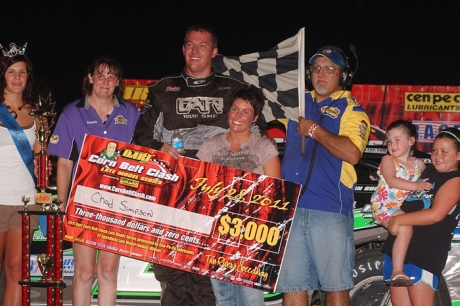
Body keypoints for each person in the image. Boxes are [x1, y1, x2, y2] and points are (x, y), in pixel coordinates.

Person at [133, 24, 268, 306]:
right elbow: (141, 136)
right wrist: (159, 148)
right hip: (172, 193)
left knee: (207, 274)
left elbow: (259, 139)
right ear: (183, 49)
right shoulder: (161, 89)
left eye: (203, 45)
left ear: (214, 52)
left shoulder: (234, 90)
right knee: (171, 272)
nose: (196, 50)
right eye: (190, 45)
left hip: (216, 196)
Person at [276, 45, 370, 306]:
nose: (321, 74)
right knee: (293, 287)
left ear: (343, 75)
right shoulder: (294, 100)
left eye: (330, 69)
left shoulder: (353, 110)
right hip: (291, 209)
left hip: (330, 210)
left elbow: (352, 153)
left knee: (335, 287)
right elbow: (255, 114)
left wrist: (314, 129)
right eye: (316, 68)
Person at [47, 57, 140, 305]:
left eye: (111, 77)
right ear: (90, 78)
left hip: (117, 203)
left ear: (118, 82)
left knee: (108, 271)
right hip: (82, 202)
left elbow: (142, 159)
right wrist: (62, 203)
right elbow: (64, 163)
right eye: (100, 75)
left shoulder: (131, 112)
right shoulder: (72, 112)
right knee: (85, 271)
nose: (105, 81)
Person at [196, 85, 280, 306]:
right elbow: (198, 190)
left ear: (255, 118)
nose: (238, 116)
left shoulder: (264, 148)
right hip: (217, 234)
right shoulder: (209, 147)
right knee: (223, 298)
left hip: (252, 236)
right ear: (228, 112)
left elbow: (275, 195)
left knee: (251, 299)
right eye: (235, 109)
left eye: (245, 112)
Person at [382, 128, 460, 306]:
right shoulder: (427, 171)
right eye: (434, 150)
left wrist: (398, 220)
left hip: (425, 253)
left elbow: (435, 215)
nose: (437, 156)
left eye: (444, 152)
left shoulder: (456, 179)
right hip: (398, 250)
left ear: (458, 155)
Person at [0, 43, 40, 306]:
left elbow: (39, 156)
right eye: (11, 71)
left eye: (22, 72)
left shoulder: (38, 113)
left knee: (17, 272)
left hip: (26, 201)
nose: (17, 78)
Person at [371, 119, 432, 287]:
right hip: (386, 206)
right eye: (389, 141)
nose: (392, 144)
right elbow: (391, 181)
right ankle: (397, 271)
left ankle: (410, 266)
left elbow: (431, 182)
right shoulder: (388, 160)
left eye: (397, 139)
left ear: (411, 141)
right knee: (405, 227)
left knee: (413, 229)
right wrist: (417, 185)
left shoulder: (419, 164)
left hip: (402, 208)